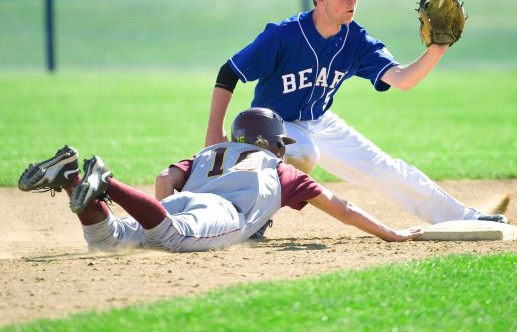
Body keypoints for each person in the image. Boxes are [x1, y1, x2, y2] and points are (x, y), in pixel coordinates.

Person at [201, 0, 509, 225]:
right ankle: (250, 216)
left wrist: (437, 49)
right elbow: (229, 72)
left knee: (385, 169)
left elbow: (402, 79)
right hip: (271, 128)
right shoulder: (283, 35)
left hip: (320, 120)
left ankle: (464, 217)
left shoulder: (357, 40)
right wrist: (214, 128)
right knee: (305, 150)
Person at [17, 108, 426, 253]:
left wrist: (160, 213)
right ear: (270, 141)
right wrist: (392, 235)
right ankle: (105, 183)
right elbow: (345, 210)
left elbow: (165, 177)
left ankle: (72, 178)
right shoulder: (281, 169)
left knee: (107, 241)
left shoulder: (210, 152)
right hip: (220, 213)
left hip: (179, 202)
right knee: (169, 238)